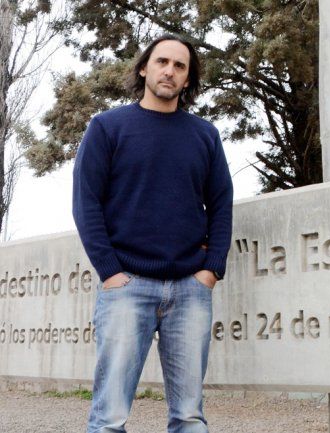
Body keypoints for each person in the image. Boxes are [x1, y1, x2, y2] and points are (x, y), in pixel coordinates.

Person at [72, 34, 233, 433]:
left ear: (188, 78)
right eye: (162, 61)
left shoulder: (205, 135)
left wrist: (211, 269)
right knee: (109, 418)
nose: (170, 71)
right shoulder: (107, 127)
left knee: (190, 418)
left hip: (190, 289)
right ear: (144, 67)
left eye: (180, 66)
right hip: (127, 286)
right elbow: (86, 202)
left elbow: (222, 203)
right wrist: (109, 271)